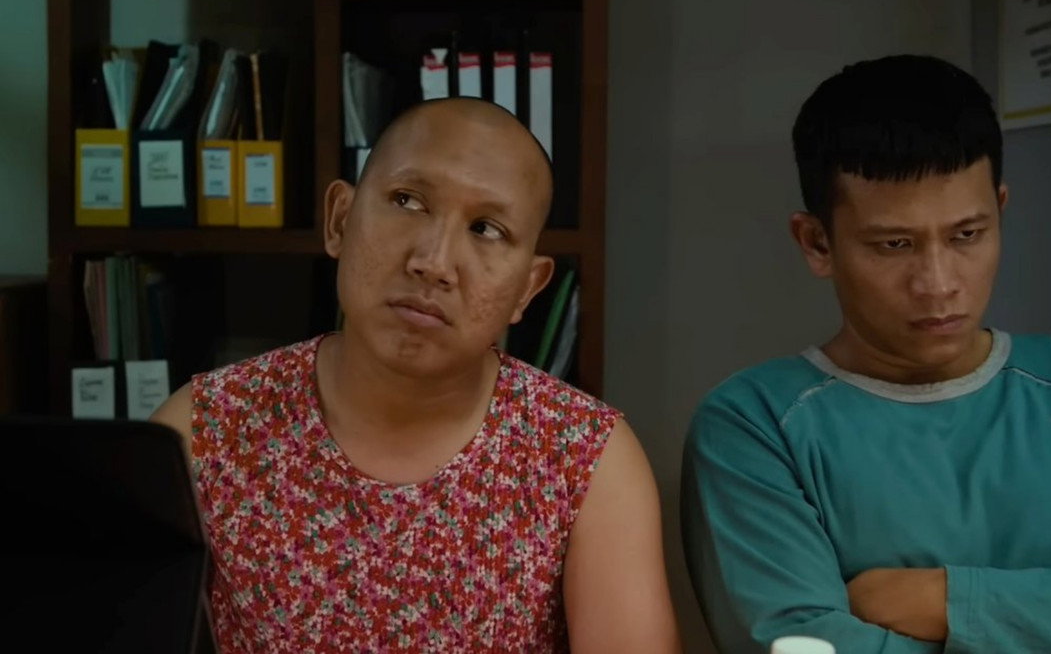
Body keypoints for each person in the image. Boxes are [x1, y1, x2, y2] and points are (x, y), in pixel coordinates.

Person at [680, 55, 1051, 653]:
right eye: (894, 244)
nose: (938, 284)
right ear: (817, 243)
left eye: (967, 235)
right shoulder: (756, 426)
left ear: (1001, 211)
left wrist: (945, 602)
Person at [153, 98, 681, 653]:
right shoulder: (202, 431)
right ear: (339, 220)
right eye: (407, 201)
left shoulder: (585, 460)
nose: (433, 262)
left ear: (527, 288)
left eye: (486, 229)